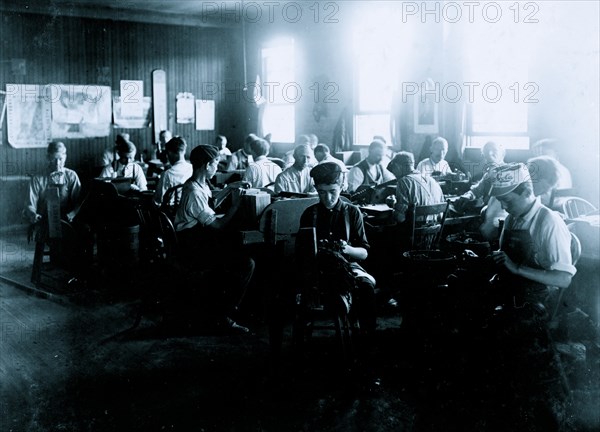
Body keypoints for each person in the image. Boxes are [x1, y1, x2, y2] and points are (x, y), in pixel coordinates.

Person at [174, 145, 255, 333]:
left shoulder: (197, 184)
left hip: (196, 239)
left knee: (238, 249)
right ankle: (223, 315)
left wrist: (230, 187)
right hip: (192, 246)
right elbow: (217, 225)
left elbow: (211, 202)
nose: (217, 168)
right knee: (246, 263)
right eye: (216, 164)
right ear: (207, 164)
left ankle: (227, 308)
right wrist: (235, 206)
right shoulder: (194, 192)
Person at [296, 162, 377, 336]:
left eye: (333, 191)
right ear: (316, 189)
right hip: (318, 269)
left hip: (348, 266)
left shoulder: (352, 212)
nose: (328, 198)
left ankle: (367, 339)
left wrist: (347, 249)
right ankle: (341, 300)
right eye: (322, 193)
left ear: (342, 187)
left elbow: (364, 253)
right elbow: (301, 253)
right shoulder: (310, 214)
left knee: (366, 287)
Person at [489, 163, 576, 308]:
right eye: (500, 201)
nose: (503, 207)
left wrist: (517, 268)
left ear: (526, 192)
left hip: (540, 298)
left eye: (508, 200)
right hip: (514, 289)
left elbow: (563, 279)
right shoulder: (512, 218)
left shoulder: (549, 222)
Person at [25, 142, 81, 225]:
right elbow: (30, 204)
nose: (57, 163)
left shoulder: (72, 176)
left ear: (65, 157)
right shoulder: (37, 179)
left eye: (60, 159)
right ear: (48, 158)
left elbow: (78, 202)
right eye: (54, 159)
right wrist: (33, 214)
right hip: (43, 221)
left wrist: (72, 215)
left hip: (67, 222)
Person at [387, 152, 445, 224]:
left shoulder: (403, 182)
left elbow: (400, 218)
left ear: (398, 166)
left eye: (394, 171)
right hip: (436, 233)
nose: (395, 175)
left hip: (412, 233)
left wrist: (394, 205)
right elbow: (441, 215)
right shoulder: (432, 181)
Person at [455, 141, 507, 213]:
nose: (490, 154)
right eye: (487, 151)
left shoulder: (507, 174)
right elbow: (477, 190)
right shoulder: (488, 173)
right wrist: (468, 195)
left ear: (502, 154)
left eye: (494, 150)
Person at [152, 136, 193, 206]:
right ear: (184, 151)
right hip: (191, 209)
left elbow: (158, 199)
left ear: (169, 153)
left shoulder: (167, 174)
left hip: (172, 213)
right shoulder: (193, 168)